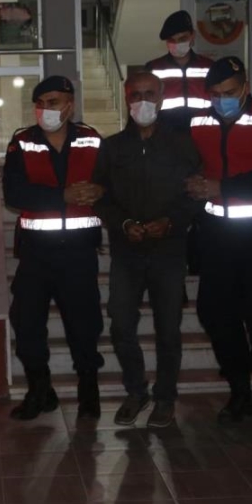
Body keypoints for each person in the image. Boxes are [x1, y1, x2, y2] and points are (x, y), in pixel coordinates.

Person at [184, 56, 252, 425]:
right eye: (216, 94)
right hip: (216, 234)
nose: (223, 100)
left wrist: (222, 187)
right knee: (216, 313)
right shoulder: (197, 121)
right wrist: (193, 184)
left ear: (246, 87)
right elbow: (186, 163)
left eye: (230, 92)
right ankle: (239, 391)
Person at [92, 72, 202, 428]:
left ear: (162, 96)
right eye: (136, 95)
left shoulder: (182, 145)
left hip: (169, 251)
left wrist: (170, 222)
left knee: (168, 329)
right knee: (121, 324)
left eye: (149, 94)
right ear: (126, 99)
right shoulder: (111, 147)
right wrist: (123, 224)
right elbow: (100, 196)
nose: (143, 102)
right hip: (126, 251)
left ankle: (165, 399)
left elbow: (195, 195)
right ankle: (136, 391)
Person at [2, 75, 105, 421]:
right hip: (36, 253)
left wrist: (101, 191)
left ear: (70, 105)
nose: (46, 109)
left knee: (84, 324)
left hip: (78, 253)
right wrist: (62, 196)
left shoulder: (92, 139)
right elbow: (14, 193)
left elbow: (110, 182)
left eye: (54, 102)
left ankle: (89, 392)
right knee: (26, 321)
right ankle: (40, 391)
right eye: (40, 103)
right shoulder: (21, 142)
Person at [144, 10, 214, 133]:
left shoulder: (209, 66)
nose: (177, 44)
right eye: (172, 40)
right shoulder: (153, 68)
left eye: (182, 38)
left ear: (193, 35)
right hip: (165, 135)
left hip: (203, 132)